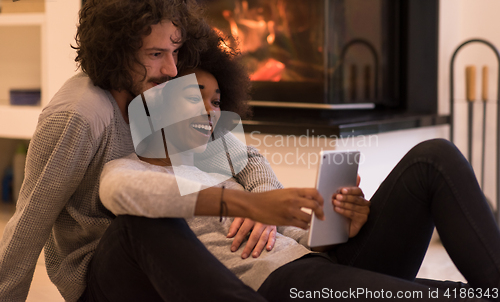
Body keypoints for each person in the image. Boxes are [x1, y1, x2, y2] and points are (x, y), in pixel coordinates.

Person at [97, 39, 500, 302]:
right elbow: (120, 193)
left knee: (434, 156)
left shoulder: (224, 161)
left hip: (320, 266)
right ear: (158, 104)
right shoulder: (128, 169)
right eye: (193, 96)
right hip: (278, 285)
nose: (210, 110)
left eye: (217, 101)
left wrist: (342, 224)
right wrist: (247, 205)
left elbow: (294, 234)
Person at [0, 0, 286, 301]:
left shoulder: (155, 89)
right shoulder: (78, 116)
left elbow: (241, 155)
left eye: (174, 52)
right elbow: (27, 227)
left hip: (166, 262)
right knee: (142, 219)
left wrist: (262, 202)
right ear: (118, 50)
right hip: (103, 273)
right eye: (156, 54)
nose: (172, 70)